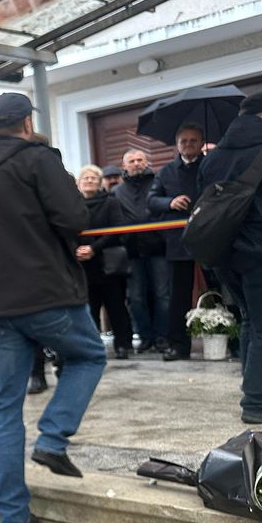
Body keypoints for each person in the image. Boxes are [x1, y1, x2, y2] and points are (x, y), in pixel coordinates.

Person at [0, 93, 107, 523]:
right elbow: (74, 217)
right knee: (89, 356)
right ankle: (52, 439)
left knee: (3, 409)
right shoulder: (37, 159)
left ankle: (13, 516)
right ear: (26, 123)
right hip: (44, 295)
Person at [198, 91, 262, 424]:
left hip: (225, 253)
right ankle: (258, 401)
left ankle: (255, 388)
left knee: (250, 320)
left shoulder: (213, 157)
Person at [149, 123, 206, 361]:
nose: (188, 145)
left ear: (201, 143)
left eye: (193, 141)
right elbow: (151, 201)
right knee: (178, 296)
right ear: (177, 144)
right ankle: (179, 345)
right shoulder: (165, 171)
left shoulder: (212, 165)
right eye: (184, 141)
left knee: (220, 289)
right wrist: (169, 203)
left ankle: (232, 343)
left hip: (210, 237)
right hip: (178, 241)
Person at [114, 149, 169, 352]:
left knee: (163, 295)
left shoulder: (158, 184)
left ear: (146, 163)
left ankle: (162, 337)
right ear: (124, 166)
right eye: (131, 161)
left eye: (140, 160)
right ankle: (145, 337)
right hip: (132, 251)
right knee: (136, 298)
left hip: (158, 247)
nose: (136, 163)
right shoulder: (117, 192)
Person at [75, 166, 133, 359]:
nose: (89, 181)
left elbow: (117, 229)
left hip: (108, 263)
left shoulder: (111, 203)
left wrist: (94, 248)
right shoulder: (73, 205)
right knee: (89, 308)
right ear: (79, 183)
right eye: (86, 178)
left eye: (93, 178)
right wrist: (77, 249)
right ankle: (91, 346)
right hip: (82, 264)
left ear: (100, 183)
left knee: (116, 306)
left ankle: (123, 345)